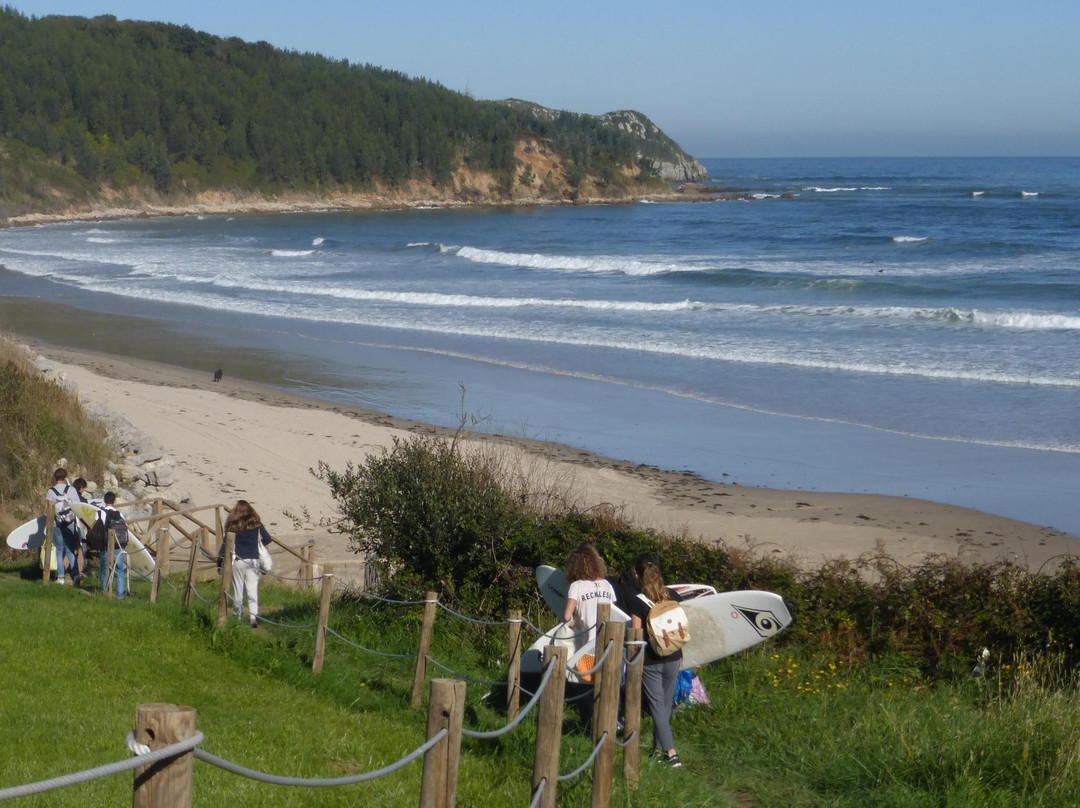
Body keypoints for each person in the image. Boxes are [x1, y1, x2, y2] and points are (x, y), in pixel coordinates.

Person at [627, 556, 684, 768]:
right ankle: (657, 749)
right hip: (674, 655)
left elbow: (636, 634)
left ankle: (671, 753)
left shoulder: (637, 601)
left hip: (651, 659)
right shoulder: (673, 595)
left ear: (637, 575)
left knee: (657, 707)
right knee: (665, 706)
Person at [218, 500, 273, 628]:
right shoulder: (256, 524)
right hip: (253, 560)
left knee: (238, 590)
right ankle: (253, 618)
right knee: (252, 589)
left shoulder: (233, 526)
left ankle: (238, 616)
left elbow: (225, 546)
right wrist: (256, 545)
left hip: (238, 560)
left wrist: (219, 562)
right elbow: (268, 538)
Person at [562, 543, 616, 647]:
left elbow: (567, 616)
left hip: (587, 644)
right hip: (607, 642)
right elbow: (613, 611)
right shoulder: (607, 584)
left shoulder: (576, 585)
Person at [45, 468, 81, 585]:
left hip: (57, 524)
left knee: (59, 550)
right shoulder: (72, 489)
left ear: (55, 478)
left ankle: (60, 577)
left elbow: (49, 509)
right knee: (70, 549)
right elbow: (77, 506)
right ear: (65, 477)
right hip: (70, 523)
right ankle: (75, 574)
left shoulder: (51, 491)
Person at [97, 491, 128, 599]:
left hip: (106, 546)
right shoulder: (120, 514)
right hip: (120, 545)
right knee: (120, 570)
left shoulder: (100, 513)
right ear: (114, 501)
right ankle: (120, 595)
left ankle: (105, 592)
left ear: (104, 500)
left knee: (104, 570)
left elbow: (96, 529)